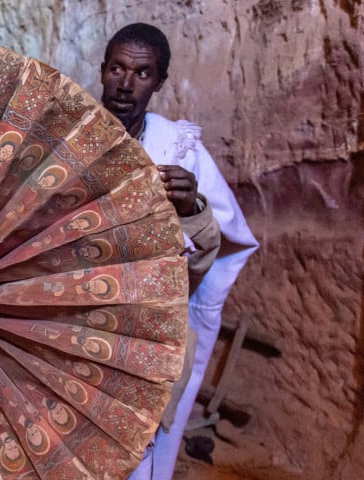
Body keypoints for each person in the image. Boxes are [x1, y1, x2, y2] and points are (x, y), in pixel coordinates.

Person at [99, 23, 259, 480]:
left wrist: (192, 210)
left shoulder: (180, 152)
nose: (126, 85)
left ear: (160, 81)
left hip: (144, 336)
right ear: (103, 70)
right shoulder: (70, 139)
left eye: (143, 73)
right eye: (118, 69)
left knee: (133, 452)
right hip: (71, 329)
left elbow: (216, 249)